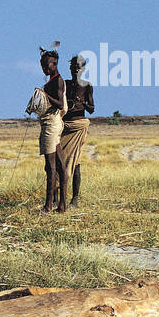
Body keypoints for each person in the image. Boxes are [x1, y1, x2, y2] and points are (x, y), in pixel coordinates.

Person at [57, 54, 95, 207]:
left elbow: (92, 109)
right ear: (70, 68)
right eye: (74, 66)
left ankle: (75, 199)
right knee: (58, 162)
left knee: (76, 162)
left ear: (83, 68)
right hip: (64, 125)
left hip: (78, 126)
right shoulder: (64, 84)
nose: (76, 68)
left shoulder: (87, 85)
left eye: (79, 66)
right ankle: (56, 198)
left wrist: (82, 103)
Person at [36, 45, 68, 213]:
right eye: (43, 65)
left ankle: (48, 206)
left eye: (47, 65)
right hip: (52, 125)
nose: (44, 68)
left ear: (54, 64)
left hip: (51, 126)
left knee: (51, 167)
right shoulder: (52, 81)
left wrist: (43, 94)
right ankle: (61, 205)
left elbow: (60, 104)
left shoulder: (57, 81)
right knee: (60, 166)